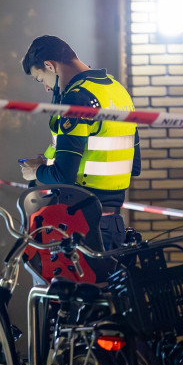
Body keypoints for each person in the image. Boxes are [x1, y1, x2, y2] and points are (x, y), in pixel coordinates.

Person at [19, 35, 141, 251]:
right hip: (114, 224)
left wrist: (35, 171)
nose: (47, 88)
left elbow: (64, 176)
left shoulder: (77, 98)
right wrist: (48, 161)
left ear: (50, 65)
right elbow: (134, 165)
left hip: (82, 226)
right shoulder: (117, 90)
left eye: (41, 79)